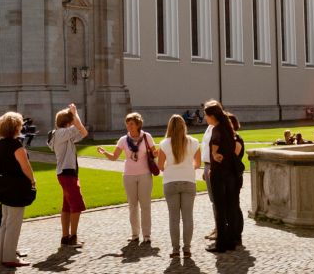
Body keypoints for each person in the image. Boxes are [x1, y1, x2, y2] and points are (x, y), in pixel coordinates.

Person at [95, 112, 158, 245]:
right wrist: (104, 152)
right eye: (127, 124)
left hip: (145, 174)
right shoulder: (123, 140)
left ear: (138, 124)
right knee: (132, 206)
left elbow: (155, 153)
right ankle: (135, 234)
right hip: (129, 175)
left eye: (131, 124)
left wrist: (160, 151)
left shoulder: (147, 137)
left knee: (145, 205)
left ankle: (146, 235)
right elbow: (114, 157)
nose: (129, 126)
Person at [0, 112, 37, 268]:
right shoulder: (16, 146)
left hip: (4, 185)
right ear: (15, 127)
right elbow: (26, 167)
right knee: (13, 224)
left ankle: (4, 255)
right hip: (16, 186)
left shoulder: (1, 143)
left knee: (5, 222)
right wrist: (32, 180)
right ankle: (10, 257)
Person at [154, 114, 201, 259]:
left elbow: (160, 166)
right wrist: (187, 166)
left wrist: (171, 165)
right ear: (184, 126)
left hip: (170, 181)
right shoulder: (194, 142)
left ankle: (175, 250)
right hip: (188, 181)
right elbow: (197, 164)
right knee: (188, 217)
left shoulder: (164, 143)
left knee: (173, 218)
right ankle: (187, 249)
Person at [203, 102, 246, 253]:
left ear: (212, 116)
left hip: (219, 174)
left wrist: (214, 155)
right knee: (231, 207)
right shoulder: (229, 129)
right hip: (231, 174)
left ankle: (222, 243)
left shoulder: (216, 129)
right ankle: (232, 240)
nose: (205, 118)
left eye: (206, 115)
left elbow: (215, 151)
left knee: (220, 209)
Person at [48, 104, 89, 247]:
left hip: (66, 173)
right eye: (71, 121)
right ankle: (73, 237)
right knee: (76, 205)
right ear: (68, 122)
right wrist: (75, 113)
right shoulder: (61, 133)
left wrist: (74, 117)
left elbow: (83, 132)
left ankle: (65, 237)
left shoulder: (63, 135)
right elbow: (79, 126)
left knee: (67, 206)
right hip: (67, 173)